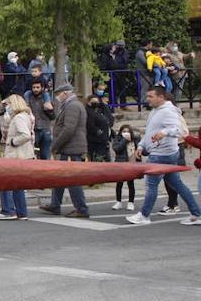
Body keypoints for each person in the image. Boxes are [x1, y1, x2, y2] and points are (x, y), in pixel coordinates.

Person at [126, 86, 201, 225]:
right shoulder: (155, 111)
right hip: (162, 153)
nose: (147, 99)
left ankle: (144, 215)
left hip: (162, 154)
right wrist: (142, 145)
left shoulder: (168, 111)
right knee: (177, 185)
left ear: (161, 97)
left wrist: (165, 133)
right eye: (147, 96)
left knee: (151, 184)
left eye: (151, 96)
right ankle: (197, 214)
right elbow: (150, 131)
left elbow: (178, 130)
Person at [39, 83, 89, 218]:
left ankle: (81, 208)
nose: (57, 97)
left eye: (58, 94)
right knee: (59, 177)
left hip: (71, 148)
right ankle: (55, 205)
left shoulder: (72, 106)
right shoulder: (70, 105)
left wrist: (55, 146)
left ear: (65, 93)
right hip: (68, 148)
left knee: (73, 180)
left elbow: (69, 129)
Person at [0, 94, 35, 221]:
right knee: (18, 186)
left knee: (7, 183)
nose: (7, 107)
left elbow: (25, 135)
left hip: (17, 155)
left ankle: (9, 210)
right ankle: (21, 212)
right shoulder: (23, 116)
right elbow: (1, 124)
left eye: (8, 104)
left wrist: (13, 142)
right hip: (22, 155)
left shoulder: (19, 118)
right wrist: (1, 110)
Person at [111, 124, 139, 211]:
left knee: (131, 184)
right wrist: (124, 140)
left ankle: (131, 202)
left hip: (132, 164)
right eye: (124, 131)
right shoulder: (117, 139)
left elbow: (140, 149)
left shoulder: (135, 139)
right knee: (119, 183)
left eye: (128, 131)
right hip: (121, 164)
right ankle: (118, 202)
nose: (126, 133)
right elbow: (117, 149)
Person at [85, 95, 112, 162]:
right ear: (88, 102)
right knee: (97, 160)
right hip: (95, 141)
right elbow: (90, 125)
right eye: (93, 102)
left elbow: (109, 119)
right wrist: (98, 132)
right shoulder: (88, 112)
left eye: (97, 101)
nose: (96, 103)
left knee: (107, 160)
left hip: (104, 140)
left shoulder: (100, 110)